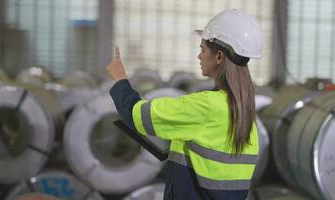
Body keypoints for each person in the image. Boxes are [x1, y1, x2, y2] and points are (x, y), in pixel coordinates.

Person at [107, 9, 261, 200]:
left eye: (202, 49)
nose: (199, 56)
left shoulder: (206, 107)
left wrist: (120, 79)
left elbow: (137, 115)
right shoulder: (246, 113)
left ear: (219, 56)